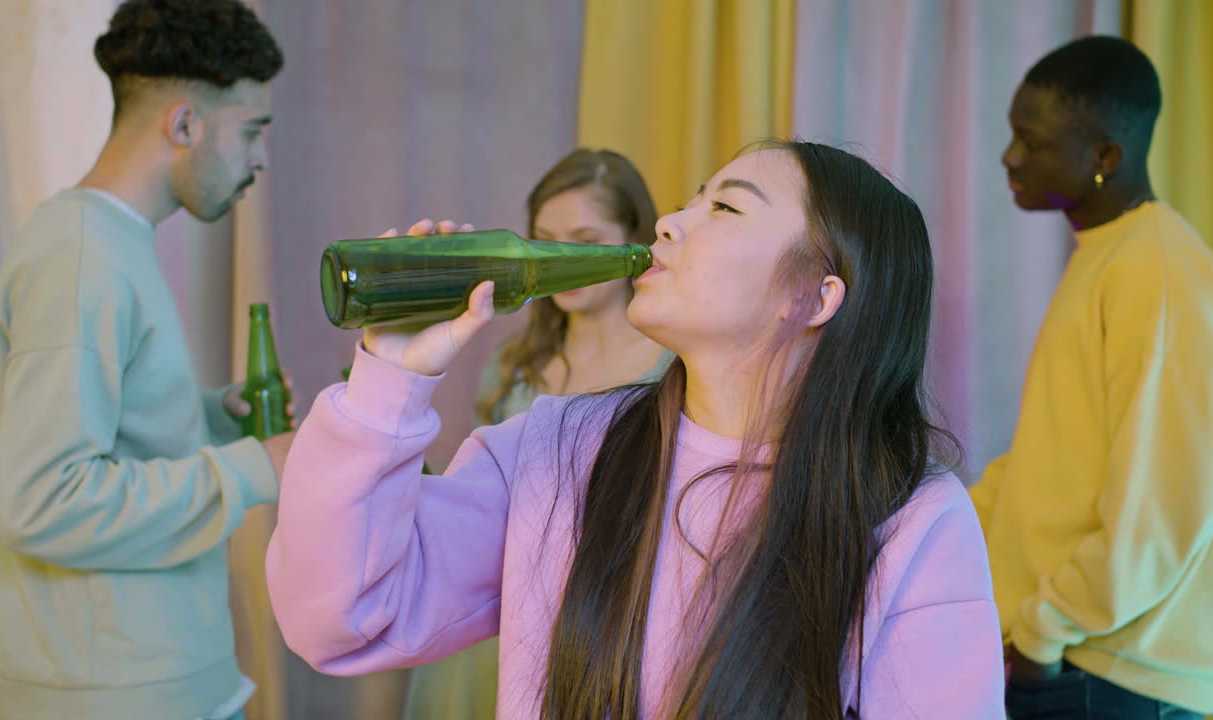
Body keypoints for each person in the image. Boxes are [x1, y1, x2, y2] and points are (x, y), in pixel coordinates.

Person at [267, 140, 1006, 718]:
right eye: (692, 199)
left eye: (727, 209)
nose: (670, 223)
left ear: (815, 295)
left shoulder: (912, 520)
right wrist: (389, 378)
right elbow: (342, 619)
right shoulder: (556, 450)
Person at [0, 2, 294, 719]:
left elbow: (106, 437)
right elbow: (44, 502)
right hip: (117, 701)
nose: (260, 159)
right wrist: (256, 468)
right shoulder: (81, 258)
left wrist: (208, 418)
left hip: (159, 688)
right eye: (250, 132)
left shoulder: (107, 244)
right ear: (184, 125)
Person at [972, 35, 1213, 719]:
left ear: (1105, 156)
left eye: (1032, 141)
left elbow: (1167, 507)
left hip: (1113, 677)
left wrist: (1047, 630)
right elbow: (1056, 465)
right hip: (1078, 662)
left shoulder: (1158, 271)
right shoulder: (1110, 257)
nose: (1009, 158)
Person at [402, 148, 671, 720]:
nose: (559, 256)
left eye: (584, 237)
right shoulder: (517, 360)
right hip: (494, 620)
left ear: (633, 237)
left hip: (608, 626)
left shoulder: (675, 363)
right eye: (545, 237)